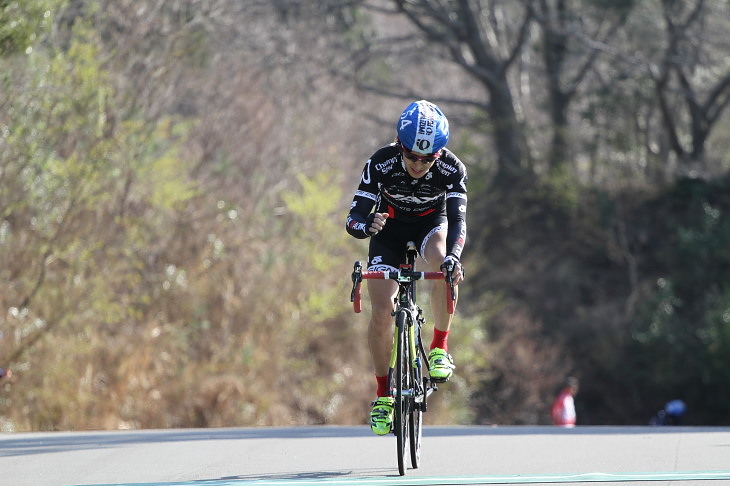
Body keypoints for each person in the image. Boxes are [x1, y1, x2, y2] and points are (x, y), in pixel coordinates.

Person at [345, 100, 467, 435]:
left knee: (443, 263)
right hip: (389, 232)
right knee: (382, 311)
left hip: (431, 227)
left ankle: (439, 346)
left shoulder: (452, 169)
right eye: (412, 155)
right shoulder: (381, 163)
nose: (418, 164)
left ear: (438, 155)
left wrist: (454, 258)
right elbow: (352, 219)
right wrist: (367, 225)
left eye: (427, 158)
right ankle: (383, 394)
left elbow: (458, 221)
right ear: (401, 146)